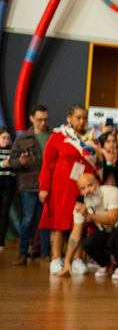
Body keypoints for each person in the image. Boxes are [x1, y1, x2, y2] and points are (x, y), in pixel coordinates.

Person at [39, 104, 98, 276]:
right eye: (78, 118)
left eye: (84, 118)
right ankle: (56, 259)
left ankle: (77, 259)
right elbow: (47, 165)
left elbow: (97, 166)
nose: (81, 121)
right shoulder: (58, 137)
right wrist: (44, 187)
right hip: (61, 188)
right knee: (59, 224)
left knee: (79, 223)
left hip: (83, 189)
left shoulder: (92, 140)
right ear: (69, 118)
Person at [68, 173, 118, 279]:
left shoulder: (112, 192)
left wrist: (88, 215)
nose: (87, 190)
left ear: (97, 183)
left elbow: (112, 220)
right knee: (88, 244)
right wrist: (67, 261)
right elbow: (75, 234)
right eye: (83, 188)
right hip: (107, 231)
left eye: (90, 185)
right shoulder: (82, 203)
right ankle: (106, 263)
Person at [10, 105, 51, 264]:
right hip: (29, 185)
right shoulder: (22, 139)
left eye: (45, 119)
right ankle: (22, 253)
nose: (42, 123)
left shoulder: (52, 136)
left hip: (47, 186)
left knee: (45, 220)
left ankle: (45, 253)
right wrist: (20, 161)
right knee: (27, 219)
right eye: (39, 119)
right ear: (32, 118)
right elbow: (12, 161)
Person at [0, 128, 16, 254]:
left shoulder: (12, 150)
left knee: (4, 212)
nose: (6, 140)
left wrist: (13, 163)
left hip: (9, 185)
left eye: (7, 138)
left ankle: (1, 240)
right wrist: (2, 164)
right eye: (3, 138)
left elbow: (16, 165)